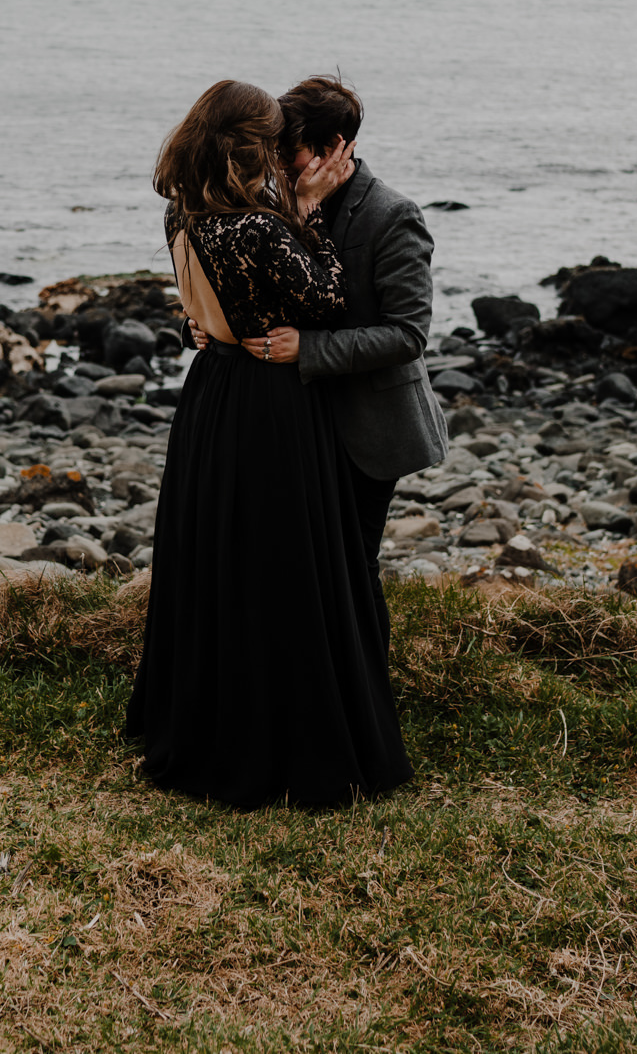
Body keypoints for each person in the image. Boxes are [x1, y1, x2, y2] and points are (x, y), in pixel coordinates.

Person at [124, 79, 412, 809]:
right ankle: (296, 731)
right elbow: (328, 298)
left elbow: (207, 297)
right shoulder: (258, 226)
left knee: (216, 559)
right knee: (288, 571)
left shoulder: (180, 211)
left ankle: (205, 714)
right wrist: (310, 217)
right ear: (249, 145)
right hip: (272, 403)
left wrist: (204, 323)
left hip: (212, 394)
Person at [208, 76, 449, 584]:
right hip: (297, 422)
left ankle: (365, 667)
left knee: (352, 570)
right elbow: (250, 288)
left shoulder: (393, 215)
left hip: (369, 427)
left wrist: (309, 347)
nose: (276, 165)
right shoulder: (276, 204)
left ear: (335, 147)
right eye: (273, 151)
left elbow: (408, 335)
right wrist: (203, 325)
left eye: (288, 152)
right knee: (300, 569)